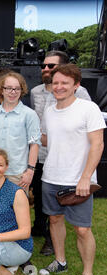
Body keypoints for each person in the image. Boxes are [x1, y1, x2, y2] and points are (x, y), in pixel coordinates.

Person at [39, 64, 105, 275]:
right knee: (55, 220)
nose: (58, 87)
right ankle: (60, 261)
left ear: (76, 85)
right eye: (55, 83)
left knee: (82, 229)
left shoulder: (89, 108)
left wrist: (86, 176)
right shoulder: (49, 110)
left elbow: (98, 144)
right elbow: (47, 139)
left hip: (79, 180)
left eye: (64, 83)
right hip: (50, 176)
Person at [30, 50, 91, 256]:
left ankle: (50, 241)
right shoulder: (36, 91)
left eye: (51, 66)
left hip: (68, 162)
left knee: (66, 211)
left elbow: (90, 132)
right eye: (44, 65)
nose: (45, 69)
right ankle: (39, 228)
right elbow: (37, 127)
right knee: (40, 197)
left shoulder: (80, 95)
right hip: (42, 155)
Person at [0, 71, 40, 192]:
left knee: (18, 210)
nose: (13, 92)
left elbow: (34, 144)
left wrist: (30, 171)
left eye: (17, 89)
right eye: (9, 88)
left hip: (18, 174)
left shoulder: (29, 114)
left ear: (22, 90)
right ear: (2, 90)